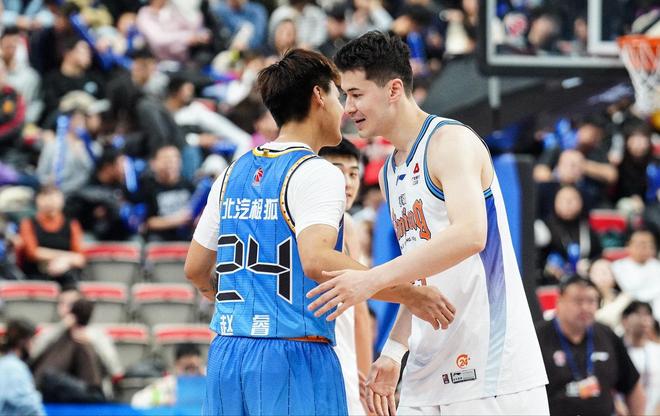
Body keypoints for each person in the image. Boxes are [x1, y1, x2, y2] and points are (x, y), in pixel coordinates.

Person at [184, 48, 455, 416]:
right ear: (318, 96)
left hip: (226, 353)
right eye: (338, 95)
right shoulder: (317, 171)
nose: (344, 107)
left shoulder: (231, 173)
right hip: (293, 353)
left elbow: (196, 269)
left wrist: (238, 308)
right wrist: (408, 293)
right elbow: (317, 260)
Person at [307, 31, 548, 415]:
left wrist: (371, 279)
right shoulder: (389, 173)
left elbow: (471, 234)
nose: (348, 108)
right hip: (427, 367)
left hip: (491, 365)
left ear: (393, 89)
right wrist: (393, 350)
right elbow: (421, 271)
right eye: (345, 96)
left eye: (355, 94)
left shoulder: (450, 141)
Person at [535, 276, 645, 416]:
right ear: (559, 301)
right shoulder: (538, 337)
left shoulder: (606, 335)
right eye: (578, 301)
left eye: (591, 301)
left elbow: (633, 386)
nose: (585, 308)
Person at [320, 138, 373, 415]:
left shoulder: (349, 226)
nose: (348, 182)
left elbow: (360, 314)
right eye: (337, 171)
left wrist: (366, 379)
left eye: (353, 174)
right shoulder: (304, 224)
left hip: (345, 361)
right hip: (314, 357)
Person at [19, 185, 86, 290]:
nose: (50, 202)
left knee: (69, 278)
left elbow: (80, 258)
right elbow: (32, 253)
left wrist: (64, 262)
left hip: (66, 273)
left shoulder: (72, 224)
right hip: (37, 274)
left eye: (54, 197)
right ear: (37, 200)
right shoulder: (28, 223)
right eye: (45, 197)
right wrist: (65, 258)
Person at [131, 343, 205, 408]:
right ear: (177, 364)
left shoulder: (209, 381)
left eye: (193, 368)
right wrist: (165, 400)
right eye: (187, 368)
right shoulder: (169, 383)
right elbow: (137, 400)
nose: (191, 374)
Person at [621, 301, 660, 415]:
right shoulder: (617, 351)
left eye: (648, 315)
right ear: (625, 320)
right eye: (639, 314)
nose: (644, 319)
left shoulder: (657, 351)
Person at [0, 318, 45, 416]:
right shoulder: (14, 367)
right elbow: (28, 405)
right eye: (33, 341)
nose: (34, 345)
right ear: (24, 341)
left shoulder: (6, 364)